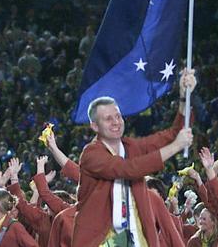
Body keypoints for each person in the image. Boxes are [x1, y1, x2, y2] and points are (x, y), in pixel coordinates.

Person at [72, 69, 195, 247]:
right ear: (94, 126)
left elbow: (172, 134)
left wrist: (184, 97)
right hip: (101, 240)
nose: (116, 122)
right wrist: (176, 146)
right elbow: (127, 169)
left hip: (136, 236)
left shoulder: (130, 147)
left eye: (118, 116)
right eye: (108, 119)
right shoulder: (91, 154)